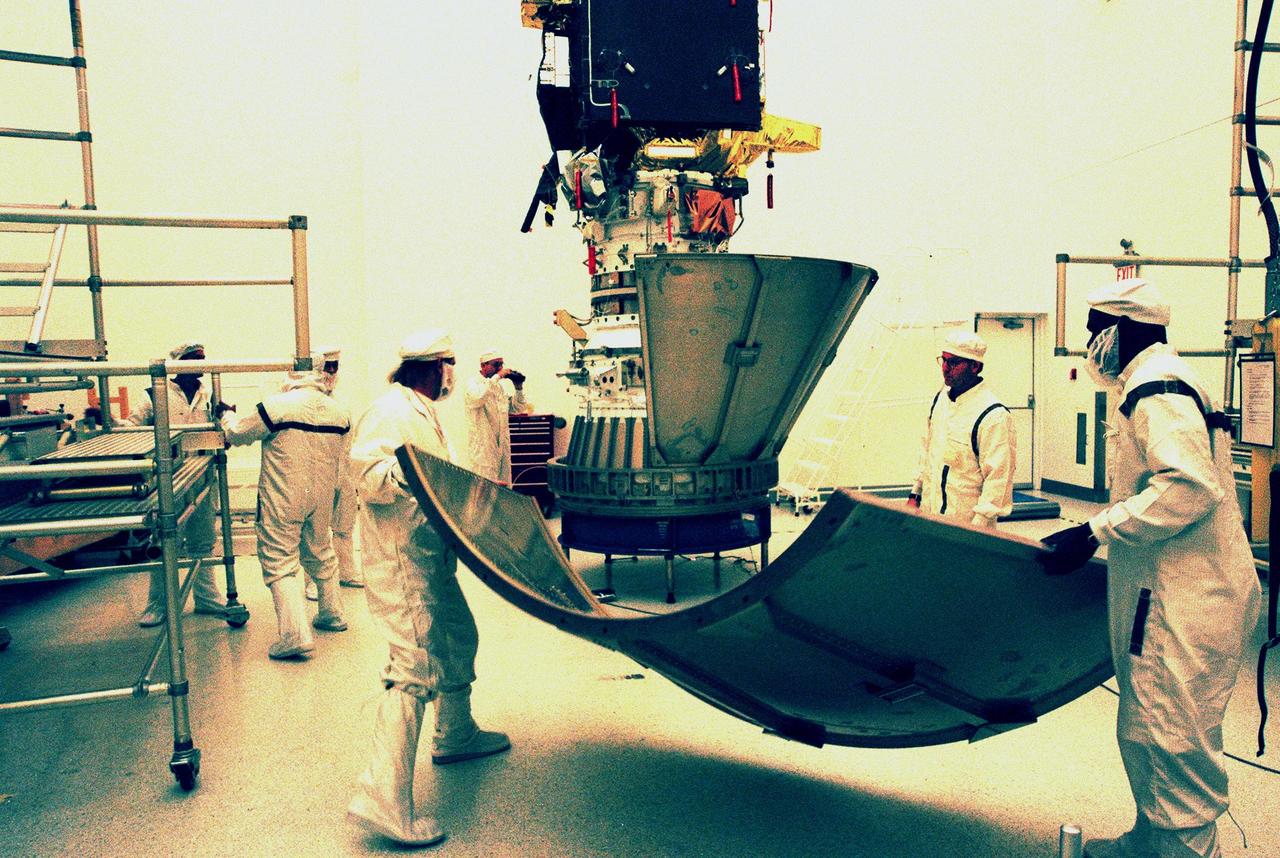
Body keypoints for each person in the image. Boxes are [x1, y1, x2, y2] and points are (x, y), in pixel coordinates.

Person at [1039, 277, 1262, 858]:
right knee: (1149, 723)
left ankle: (1182, 849)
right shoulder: (1161, 379)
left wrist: (1094, 531)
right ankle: (1152, 839)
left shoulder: (1156, 387)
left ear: (1123, 329)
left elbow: (1189, 486)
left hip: (1182, 595)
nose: (1090, 343)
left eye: (1094, 330)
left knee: (1170, 729)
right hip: (1176, 586)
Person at [347, 328, 510, 846]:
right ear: (433, 366)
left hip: (429, 555)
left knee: (457, 636)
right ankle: (383, 800)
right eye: (449, 365)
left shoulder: (421, 412)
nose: (453, 375)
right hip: (402, 561)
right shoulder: (390, 411)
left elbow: (437, 478)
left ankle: (455, 734)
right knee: (413, 666)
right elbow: (368, 476)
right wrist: (417, 480)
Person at [220, 365, 350, 659]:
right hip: (322, 495)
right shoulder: (338, 412)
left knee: (279, 559)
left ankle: (294, 635)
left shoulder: (276, 406)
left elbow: (238, 434)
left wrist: (226, 415)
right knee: (320, 550)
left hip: (285, 495)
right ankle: (332, 614)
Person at [126, 341, 224, 626]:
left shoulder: (209, 395)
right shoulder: (154, 394)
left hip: (203, 475)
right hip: (169, 478)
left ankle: (207, 598)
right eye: (194, 360)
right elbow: (131, 428)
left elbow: (221, 429)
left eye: (202, 359)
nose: (200, 365)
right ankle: (159, 605)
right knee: (165, 540)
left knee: (203, 540)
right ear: (178, 364)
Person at [906, 329, 1016, 527]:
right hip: (930, 517)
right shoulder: (940, 400)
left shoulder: (993, 415)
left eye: (954, 363)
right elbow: (927, 452)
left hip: (967, 526)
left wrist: (976, 528)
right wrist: (915, 494)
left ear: (975, 366)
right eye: (944, 360)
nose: (945, 368)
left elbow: (998, 480)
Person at [305, 348, 362, 600]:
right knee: (316, 532)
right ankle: (314, 582)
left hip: (345, 473)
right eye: (326, 367)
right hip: (317, 474)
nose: (330, 372)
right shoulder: (306, 402)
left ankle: (346, 572)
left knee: (345, 526)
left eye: (334, 367)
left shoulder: (342, 401)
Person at [463, 348, 532, 484]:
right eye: (496, 364)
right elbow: (478, 398)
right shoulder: (473, 384)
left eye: (501, 364)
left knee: (504, 488)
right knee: (484, 489)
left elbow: (517, 408)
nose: (500, 368)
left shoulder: (498, 388)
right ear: (483, 365)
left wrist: (518, 387)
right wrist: (498, 377)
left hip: (501, 450)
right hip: (483, 451)